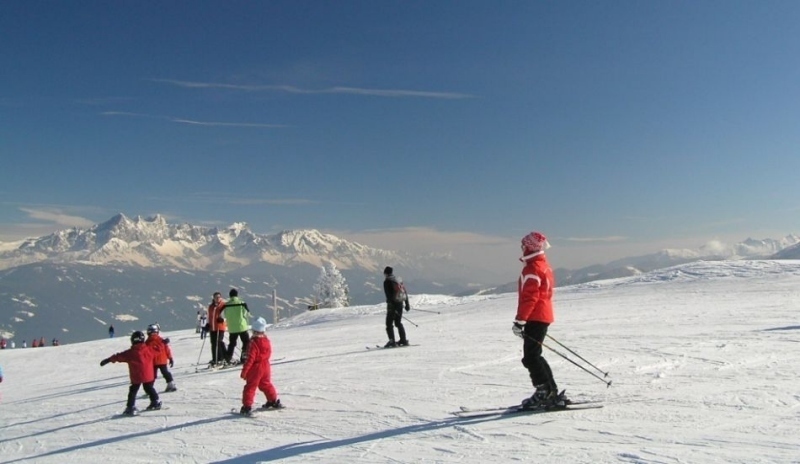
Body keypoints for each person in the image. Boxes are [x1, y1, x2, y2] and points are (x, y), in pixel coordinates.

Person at [512, 231, 563, 410]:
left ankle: (544, 392)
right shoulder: (543, 265)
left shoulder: (532, 269)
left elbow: (530, 297)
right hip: (542, 315)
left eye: (523, 245)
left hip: (535, 316)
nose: (522, 248)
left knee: (530, 357)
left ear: (530, 247)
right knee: (535, 355)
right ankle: (550, 391)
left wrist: (520, 320)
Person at [100, 330, 162, 415]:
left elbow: (119, 356)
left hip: (136, 376)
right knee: (149, 388)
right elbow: (158, 349)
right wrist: (163, 342)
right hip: (148, 376)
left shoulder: (130, 353)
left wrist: (108, 360)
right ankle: (155, 401)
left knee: (133, 391)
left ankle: (130, 407)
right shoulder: (149, 349)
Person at [238, 317, 282, 416]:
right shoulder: (266, 340)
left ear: (254, 331)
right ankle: (273, 400)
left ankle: (247, 407)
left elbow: (250, 359)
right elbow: (269, 353)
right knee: (265, 384)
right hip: (266, 366)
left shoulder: (253, 343)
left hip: (256, 368)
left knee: (250, 386)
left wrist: (244, 372)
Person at [382, 266, 410, 348]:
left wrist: (392, 306)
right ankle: (403, 340)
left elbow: (389, 296)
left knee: (389, 324)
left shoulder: (387, 281)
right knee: (398, 322)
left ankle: (392, 341)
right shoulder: (397, 280)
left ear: (386, 273)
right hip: (400, 304)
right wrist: (407, 304)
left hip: (392, 306)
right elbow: (405, 292)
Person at [145, 324, 177, 392]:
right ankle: (170, 383)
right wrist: (170, 358)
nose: (153, 334)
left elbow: (145, 353)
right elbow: (167, 349)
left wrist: (170, 358)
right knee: (164, 372)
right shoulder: (161, 340)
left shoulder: (148, 342)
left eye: (154, 333)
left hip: (154, 361)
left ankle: (149, 388)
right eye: (152, 333)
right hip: (160, 361)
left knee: (153, 375)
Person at [224, 288, 251, 365]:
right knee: (246, 342)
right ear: (237, 295)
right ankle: (244, 357)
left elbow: (225, 315)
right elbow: (246, 313)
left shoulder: (227, 305)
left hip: (232, 328)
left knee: (232, 344)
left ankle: (228, 358)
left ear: (230, 296)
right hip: (242, 326)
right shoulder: (241, 303)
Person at [207, 292, 228, 366]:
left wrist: (223, 319)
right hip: (212, 327)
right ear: (213, 298)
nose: (217, 298)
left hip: (220, 327)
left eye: (219, 297)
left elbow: (226, 314)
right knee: (213, 343)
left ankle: (222, 357)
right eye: (216, 297)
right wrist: (207, 323)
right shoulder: (211, 307)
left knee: (219, 342)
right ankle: (215, 358)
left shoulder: (223, 305)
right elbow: (209, 316)